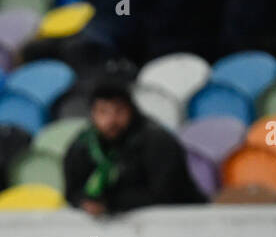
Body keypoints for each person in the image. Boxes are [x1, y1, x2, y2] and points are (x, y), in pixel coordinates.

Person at [63, 77, 205, 215]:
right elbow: (72, 191)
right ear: (93, 115)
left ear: (131, 110)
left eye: (119, 110)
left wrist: (111, 203)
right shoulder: (83, 145)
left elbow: (165, 194)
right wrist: (85, 202)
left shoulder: (157, 141)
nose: (111, 120)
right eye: (103, 111)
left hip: (182, 224)